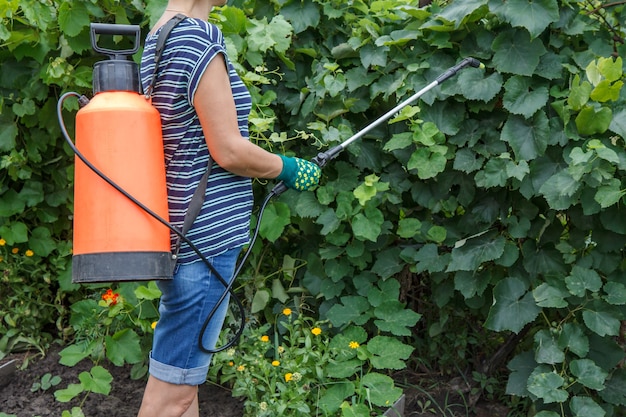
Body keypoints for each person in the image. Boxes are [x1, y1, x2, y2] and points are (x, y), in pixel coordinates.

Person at [136, 1, 321, 416]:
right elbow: (229, 150)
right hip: (203, 240)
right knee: (173, 395)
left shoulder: (159, 35)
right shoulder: (197, 37)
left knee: (185, 384)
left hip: (180, 232)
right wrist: (288, 167)